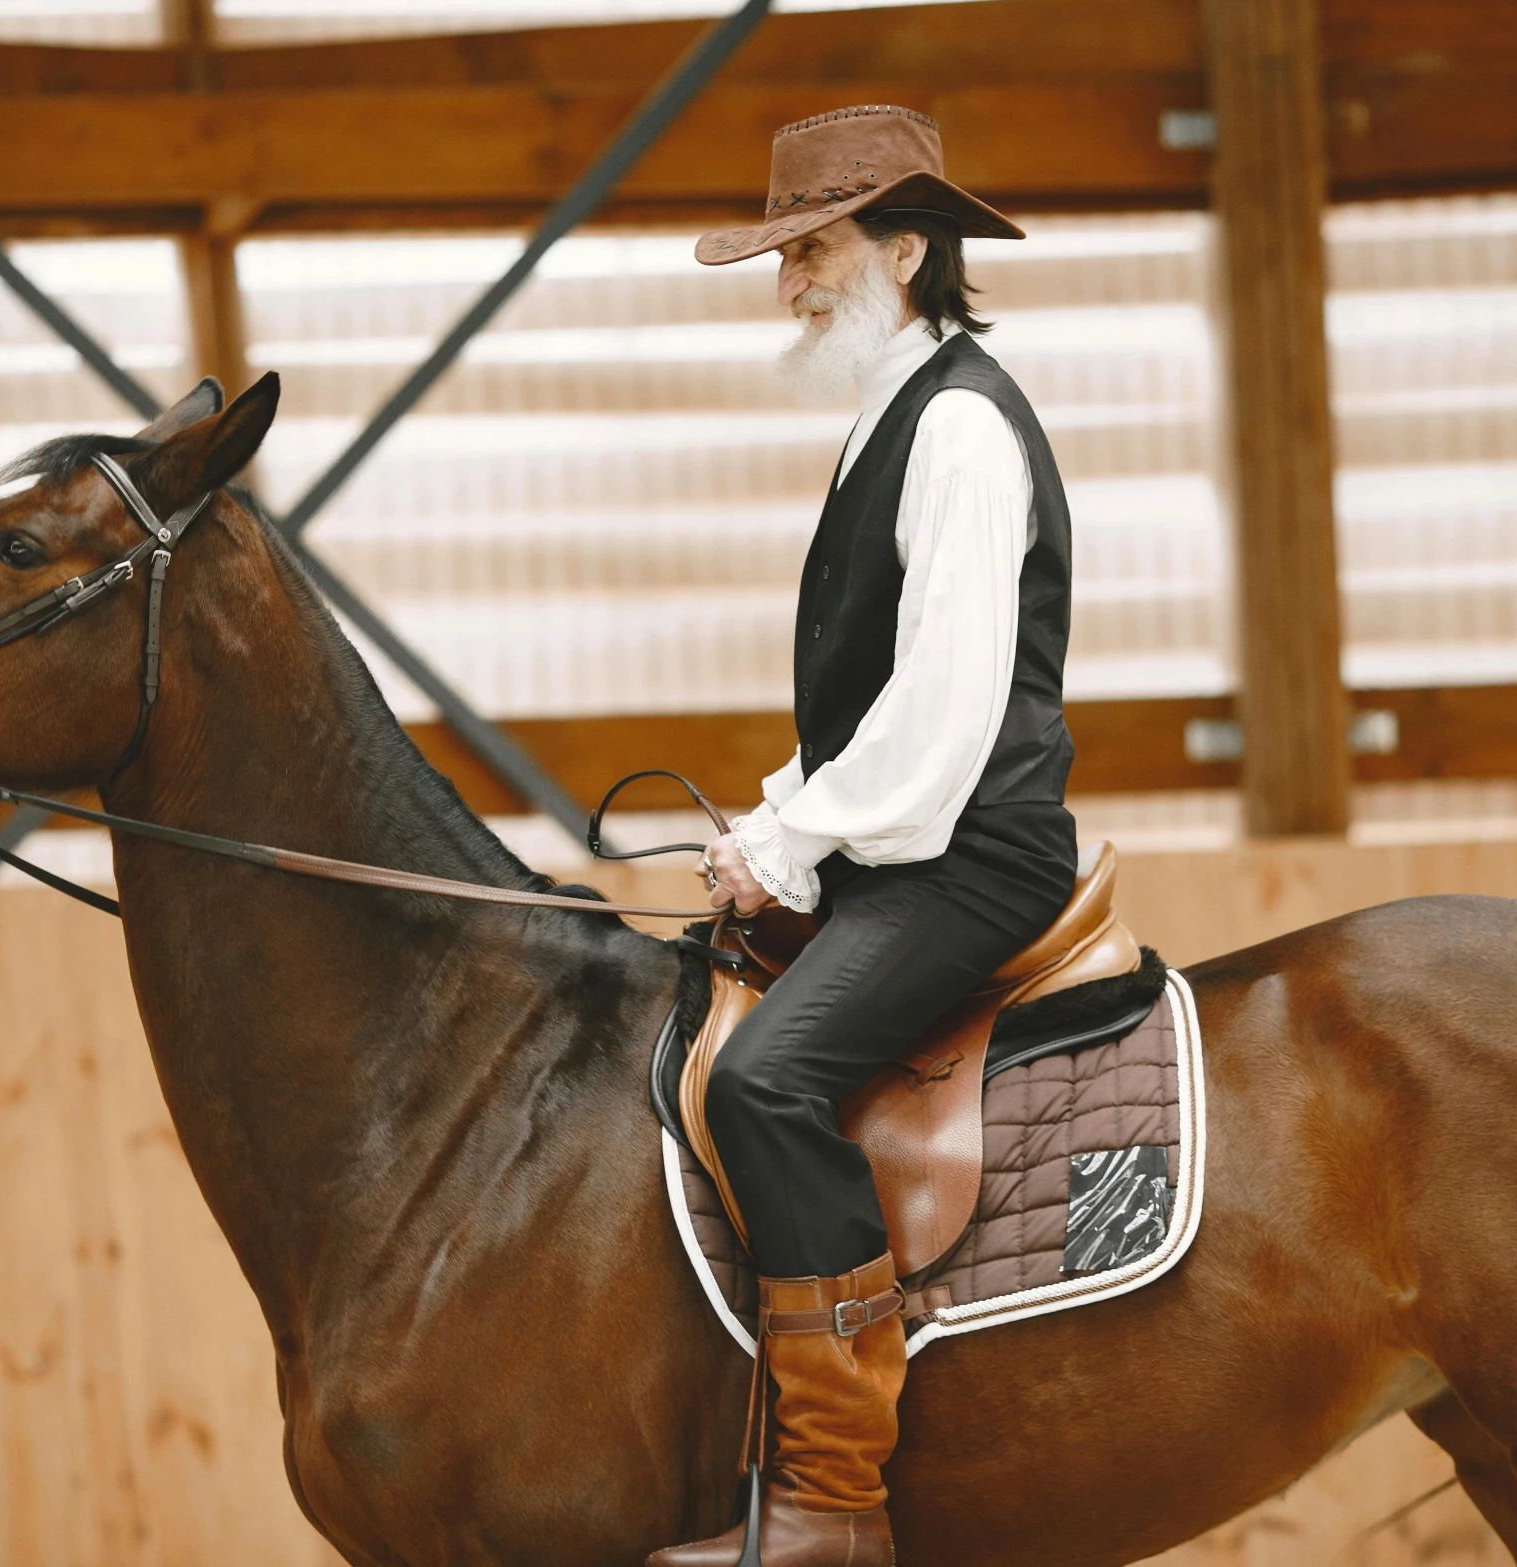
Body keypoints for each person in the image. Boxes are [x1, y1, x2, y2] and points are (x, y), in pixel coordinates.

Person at [650, 106, 1077, 1567]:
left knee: (767, 1081)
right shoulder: (886, 420)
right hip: (904, 837)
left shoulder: (957, 426)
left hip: (968, 856)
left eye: (812, 249)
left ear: (906, 245)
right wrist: (775, 819)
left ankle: (833, 1500)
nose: (789, 285)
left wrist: (794, 841)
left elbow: (945, 717)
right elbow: (867, 705)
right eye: (783, 258)